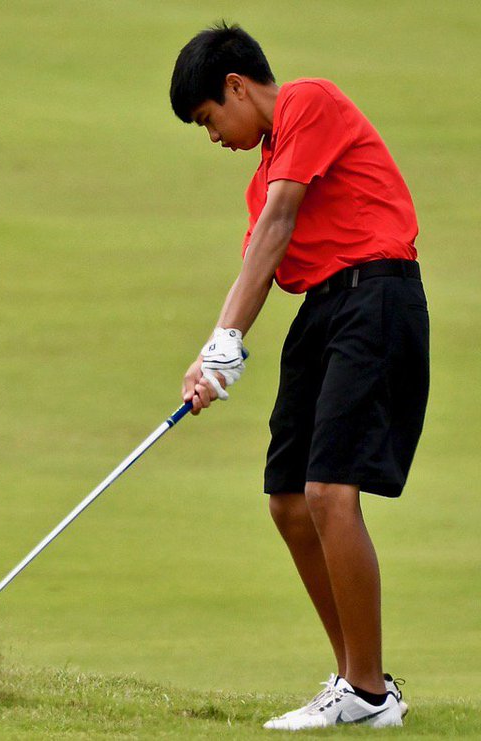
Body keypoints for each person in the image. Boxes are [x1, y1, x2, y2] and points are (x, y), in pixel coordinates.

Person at [169, 22, 429, 730]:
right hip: (325, 310)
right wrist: (214, 357)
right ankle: (354, 678)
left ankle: (370, 692)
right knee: (287, 498)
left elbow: (283, 221)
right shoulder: (262, 183)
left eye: (207, 119)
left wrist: (227, 338)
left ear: (237, 87)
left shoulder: (308, 101)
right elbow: (263, 254)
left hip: (376, 295)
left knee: (328, 490)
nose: (213, 135)